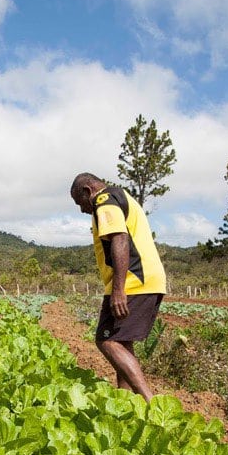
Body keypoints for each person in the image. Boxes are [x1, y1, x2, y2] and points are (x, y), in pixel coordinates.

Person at [70, 172, 166, 402]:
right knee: (122, 342)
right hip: (145, 280)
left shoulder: (104, 200)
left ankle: (149, 402)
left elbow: (119, 238)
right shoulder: (122, 196)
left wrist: (118, 290)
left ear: (88, 191)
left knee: (107, 340)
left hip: (133, 281)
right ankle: (125, 403)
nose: (82, 210)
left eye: (80, 202)